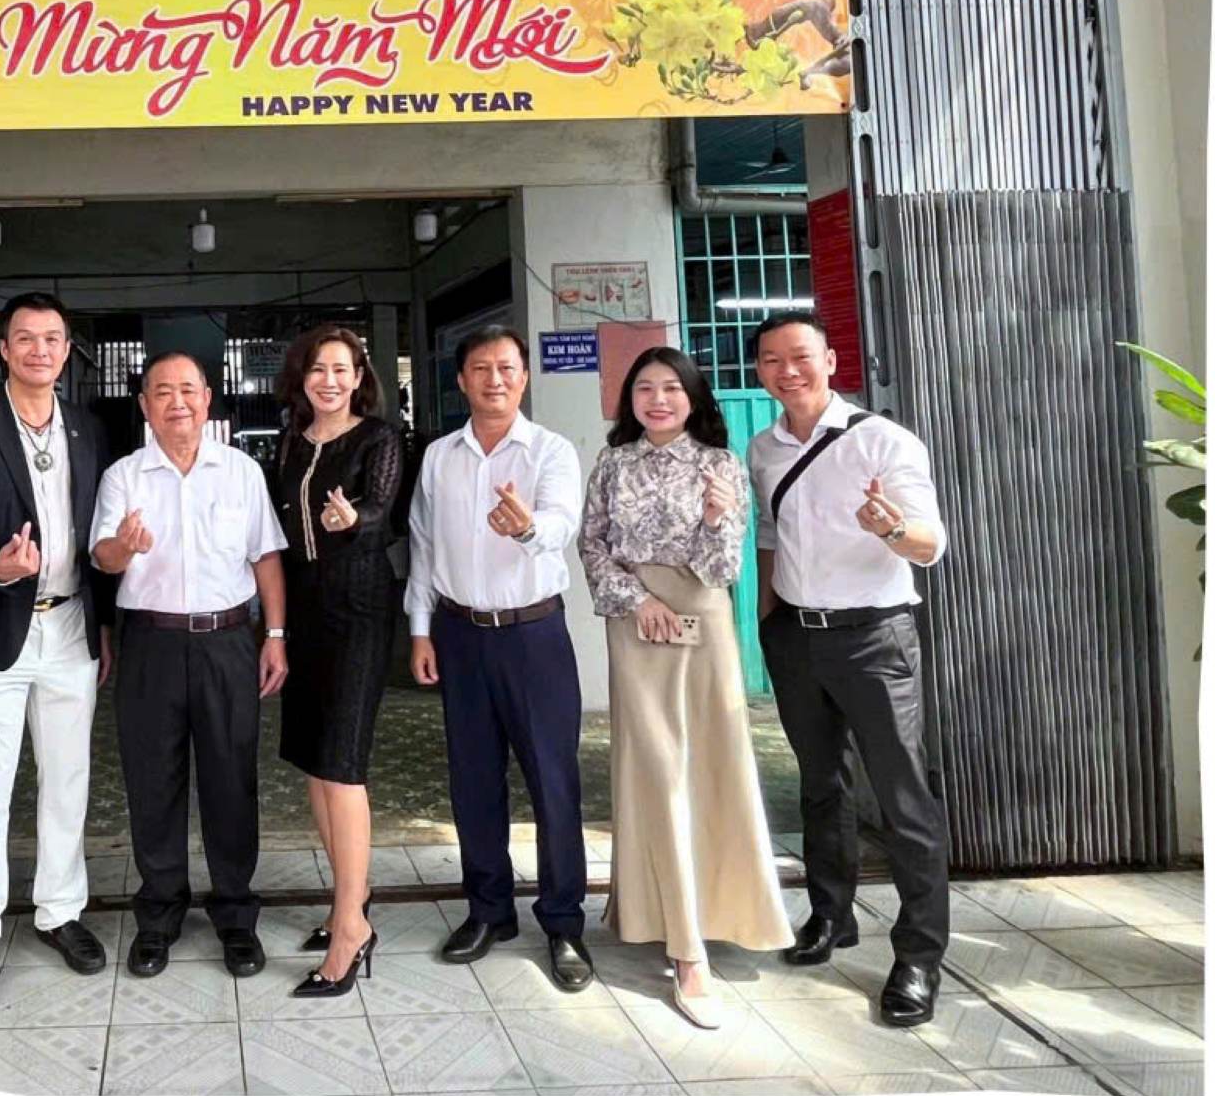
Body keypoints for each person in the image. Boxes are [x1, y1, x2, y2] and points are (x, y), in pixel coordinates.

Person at [579, 346, 793, 1030]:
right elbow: (592, 545)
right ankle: (682, 945)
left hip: (702, 618)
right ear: (630, 400)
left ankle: (721, 916)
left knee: (712, 770)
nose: (658, 399)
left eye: (672, 387)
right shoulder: (613, 463)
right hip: (635, 622)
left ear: (693, 397)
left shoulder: (720, 463)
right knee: (655, 771)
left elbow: (724, 567)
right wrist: (636, 600)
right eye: (645, 388)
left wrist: (716, 518)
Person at [747, 312, 949, 1028]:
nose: (787, 371)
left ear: (831, 361)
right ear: (759, 371)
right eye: (771, 360)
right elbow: (770, 536)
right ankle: (831, 916)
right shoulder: (763, 448)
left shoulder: (884, 441)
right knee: (820, 786)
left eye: (801, 356)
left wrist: (890, 527)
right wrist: (766, 623)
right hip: (797, 638)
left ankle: (919, 957)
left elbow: (930, 544)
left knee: (902, 797)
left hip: (873, 638)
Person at [0, 293, 114, 1010]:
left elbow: (99, 535)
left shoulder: (88, 428)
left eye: (53, 338)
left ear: (67, 351)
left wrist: (105, 624)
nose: (40, 349)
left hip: (70, 626)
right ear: (4, 350)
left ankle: (59, 911)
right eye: (26, 338)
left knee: (68, 779)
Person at [91, 352, 289, 982]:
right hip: (150, 643)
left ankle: (235, 914)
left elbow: (265, 557)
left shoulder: (241, 472)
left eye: (187, 390)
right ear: (144, 405)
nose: (176, 402)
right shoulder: (124, 475)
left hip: (226, 641)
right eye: (162, 392)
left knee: (231, 778)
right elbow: (102, 557)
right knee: (153, 781)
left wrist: (275, 635)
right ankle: (159, 914)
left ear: (207, 399)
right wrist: (124, 547)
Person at [406, 325, 592, 991]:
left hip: (532, 635)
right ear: (461, 380)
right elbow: (423, 545)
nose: (495, 379)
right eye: (481, 368)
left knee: (552, 781)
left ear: (525, 376)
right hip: (459, 635)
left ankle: (563, 922)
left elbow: (563, 522)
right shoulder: (439, 457)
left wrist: (529, 527)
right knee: (473, 779)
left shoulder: (551, 451)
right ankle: (489, 910)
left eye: (507, 368)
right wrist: (420, 630)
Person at [270, 326, 403, 998]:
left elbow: (381, 507)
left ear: (358, 378)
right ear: (303, 378)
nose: (329, 380)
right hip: (305, 608)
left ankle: (352, 928)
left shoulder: (378, 438)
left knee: (343, 765)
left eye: (341, 370)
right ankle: (348, 899)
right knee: (315, 764)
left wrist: (353, 520)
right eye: (318, 369)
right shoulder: (291, 441)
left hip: (358, 607)